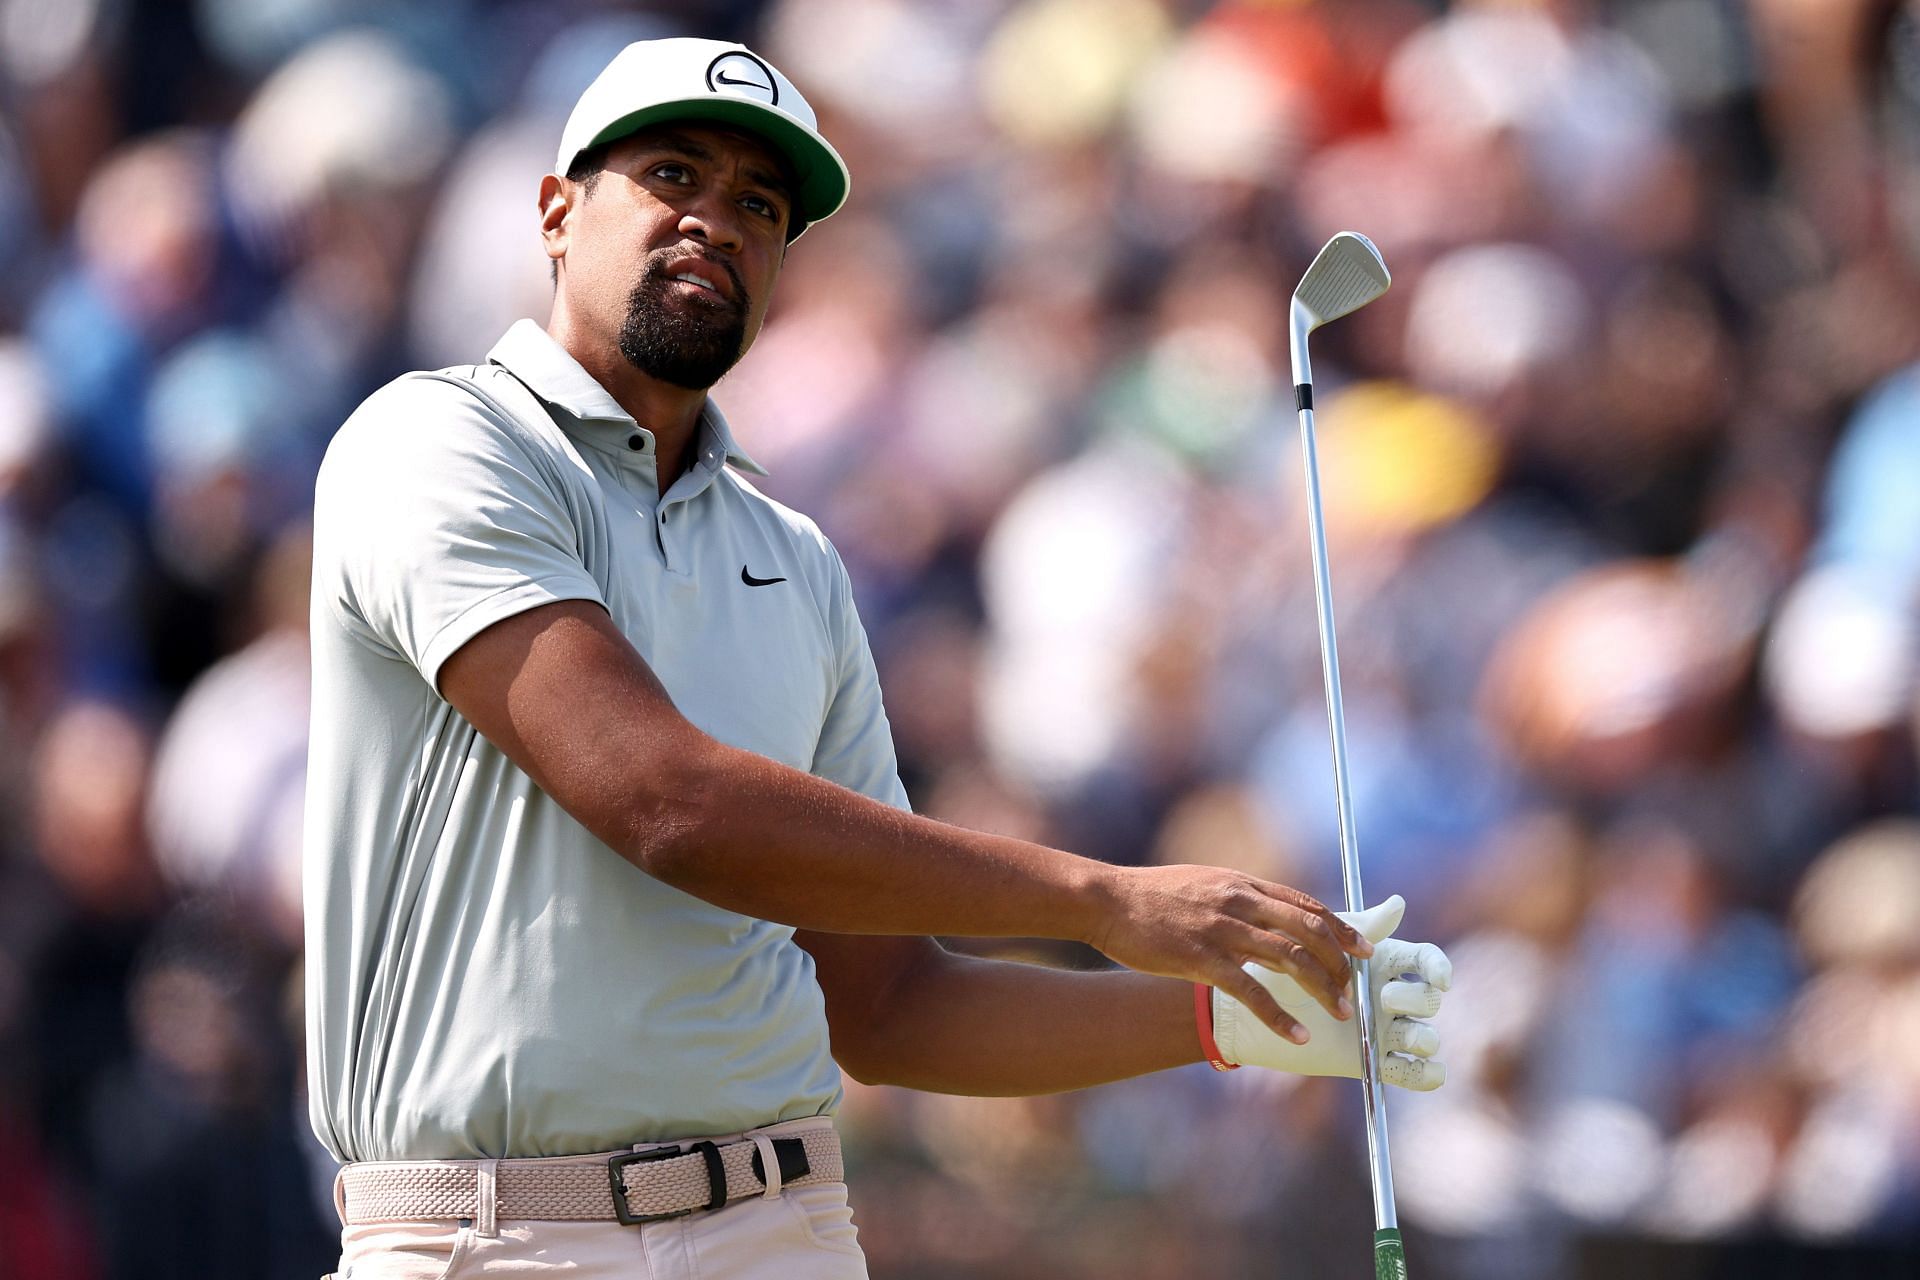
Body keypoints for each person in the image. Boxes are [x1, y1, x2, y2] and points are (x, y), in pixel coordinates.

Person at [303, 36, 1452, 1280]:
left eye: (758, 205)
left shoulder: (793, 559)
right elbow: (665, 801)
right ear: (557, 212)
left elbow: (894, 1005)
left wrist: (1242, 1014)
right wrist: (1107, 900)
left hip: (783, 1226)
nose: (715, 221)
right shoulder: (436, 441)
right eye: (672, 174)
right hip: (492, 1235)